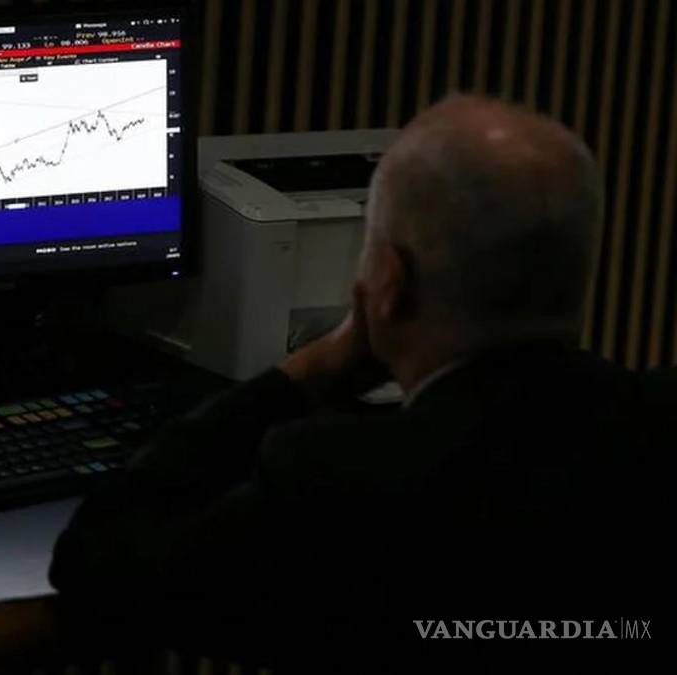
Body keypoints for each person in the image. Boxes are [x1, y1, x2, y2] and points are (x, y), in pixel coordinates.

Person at [49, 96, 673, 665]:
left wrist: (312, 367)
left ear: (389, 282)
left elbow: (98, 558)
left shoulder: (342, 484)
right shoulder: (654, 428)